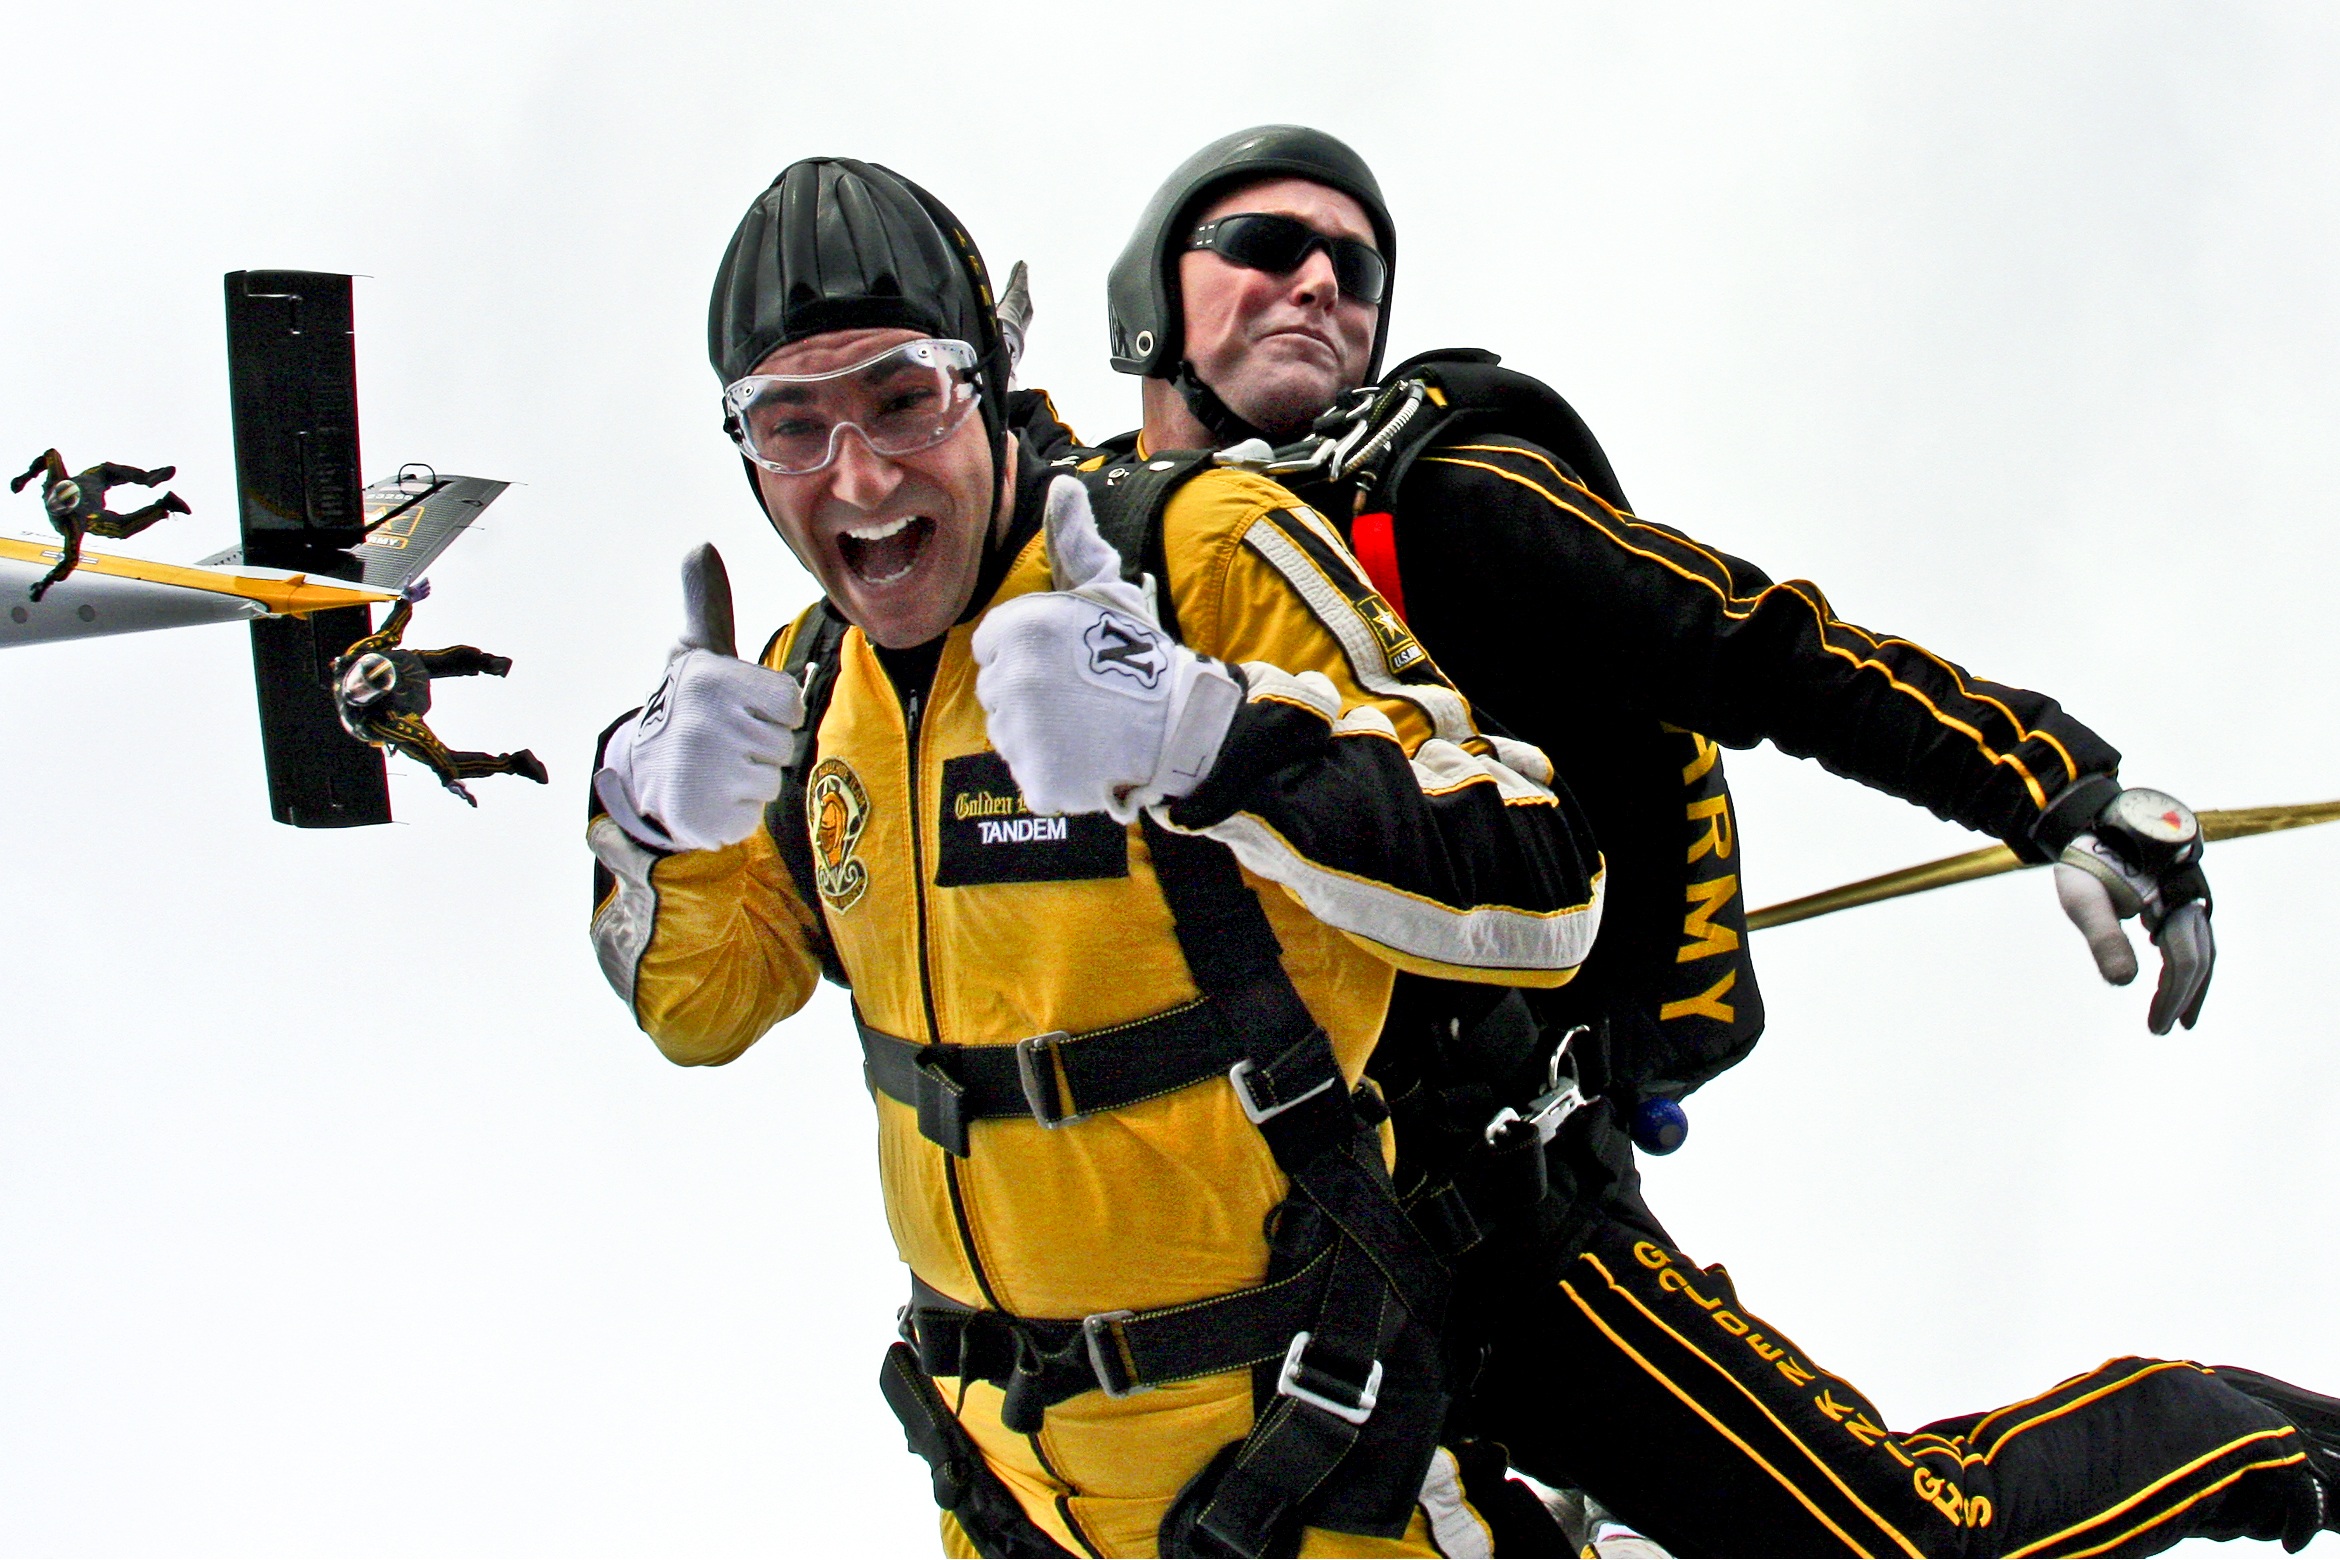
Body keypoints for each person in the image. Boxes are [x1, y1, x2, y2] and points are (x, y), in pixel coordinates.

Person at [1038, 123, 2336, 1556]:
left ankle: (2257, 1436)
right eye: (1269, 247)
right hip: (1233, 1263)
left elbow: (1756, 647)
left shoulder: (1442, 506)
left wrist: (2058, 789)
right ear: (1152, 301)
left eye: (1353, 268)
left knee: (1908, 1545)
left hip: (1502, 1230)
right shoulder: (1056, 556)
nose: (1320, 287)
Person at [584, 156, 1610, 1558]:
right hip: (1007, 1498)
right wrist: (649, 827)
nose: (862, 475)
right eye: (790, 427)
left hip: (1312, 1474)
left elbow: (1547, 885)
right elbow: (697, 1008)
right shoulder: (802, 691)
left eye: (903, 395)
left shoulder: (1198, 556)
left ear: (989, 382)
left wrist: (1208, 740)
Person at [330, 579, 546, 805]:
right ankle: (514, 763)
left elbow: (389, 634)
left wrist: (405, 603)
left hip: (405, 674)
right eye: (362, 686)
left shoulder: (360, 662)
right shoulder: (376, 719)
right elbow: (423, 740)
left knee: (437, 660)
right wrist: (448, 776)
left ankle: (486, 662)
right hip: (404, 705)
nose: (358, 688)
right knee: (450, 762)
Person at [9, 448, 190, 601]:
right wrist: (26, 477)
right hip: (89, 488)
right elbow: (51, 455)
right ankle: (157, 494)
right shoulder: (56, 483)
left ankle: (155, 489)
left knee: (119, 525)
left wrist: (47, 582)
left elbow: (71, 559)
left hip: (89, 505)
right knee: (105, 471)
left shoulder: (73, 522)